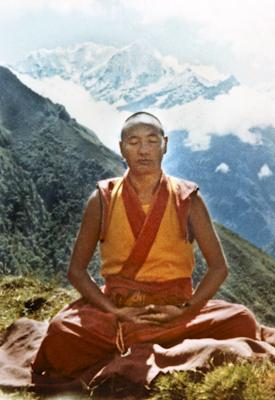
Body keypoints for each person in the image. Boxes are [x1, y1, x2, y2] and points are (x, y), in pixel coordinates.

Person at [32, 111, 258, 379]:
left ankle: (141, 344)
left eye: (152, 141)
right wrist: (114, 310)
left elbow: (218, 267)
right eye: (134, 141)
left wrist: (186, 309)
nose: (143, 150)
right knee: (61, 332)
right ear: (121, 148)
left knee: (242, 319)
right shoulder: (102, 199)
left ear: (165, 145)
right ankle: (171, 347)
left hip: (175, 309)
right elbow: (76, 272)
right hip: (120, 309)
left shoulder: (188, 199)